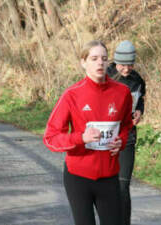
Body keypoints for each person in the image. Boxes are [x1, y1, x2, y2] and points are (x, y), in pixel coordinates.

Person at [43, 40, 133, 225]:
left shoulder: (122, 92)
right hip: (78, 178)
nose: (100, 63)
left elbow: (126, 125)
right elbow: (51, 138)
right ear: (83, 62)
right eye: (94, 58)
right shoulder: (71, 95)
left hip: (109, 177)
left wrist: (121, 141)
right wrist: (81, 138)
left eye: (104, 59)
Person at [107, 40, 146, 225]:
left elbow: (140, 101)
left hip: (127, 138)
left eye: (130, 64)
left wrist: (139, 111)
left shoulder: (137, 80)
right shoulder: (105, 75)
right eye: (123, 65)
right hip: (105, 138)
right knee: (105, 186)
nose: (126, 69)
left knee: (123, 186)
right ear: (115, 62)